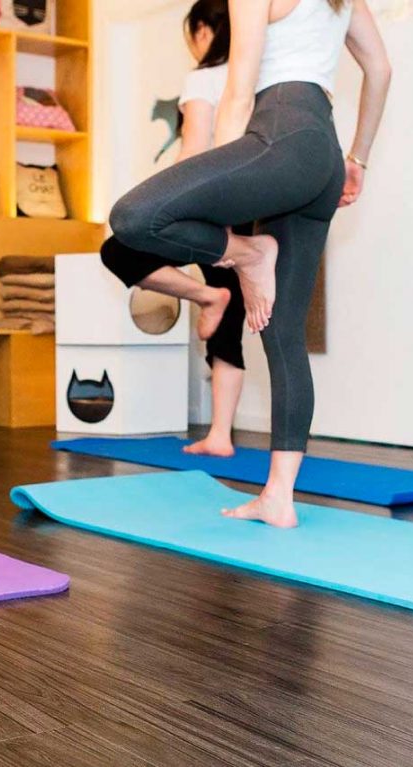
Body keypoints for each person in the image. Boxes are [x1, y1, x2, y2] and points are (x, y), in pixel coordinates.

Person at [105, 0, 391, 527]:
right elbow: (380, 68)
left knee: (131, 218)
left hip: (278, 134)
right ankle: (278, 498)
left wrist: (228, 224)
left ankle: (249, 255)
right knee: (283, 332)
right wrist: (358, 159)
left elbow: (238, 89)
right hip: (322, 153)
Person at [103, 0, 249, 458]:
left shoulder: (204, 78)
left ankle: (206, 296)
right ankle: (221, 436)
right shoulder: (260, 76)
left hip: (206, 204)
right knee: (234, 321)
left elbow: (195, 150)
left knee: (119, 250)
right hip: (253, 208)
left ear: (205, 30)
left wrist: (158, 201)